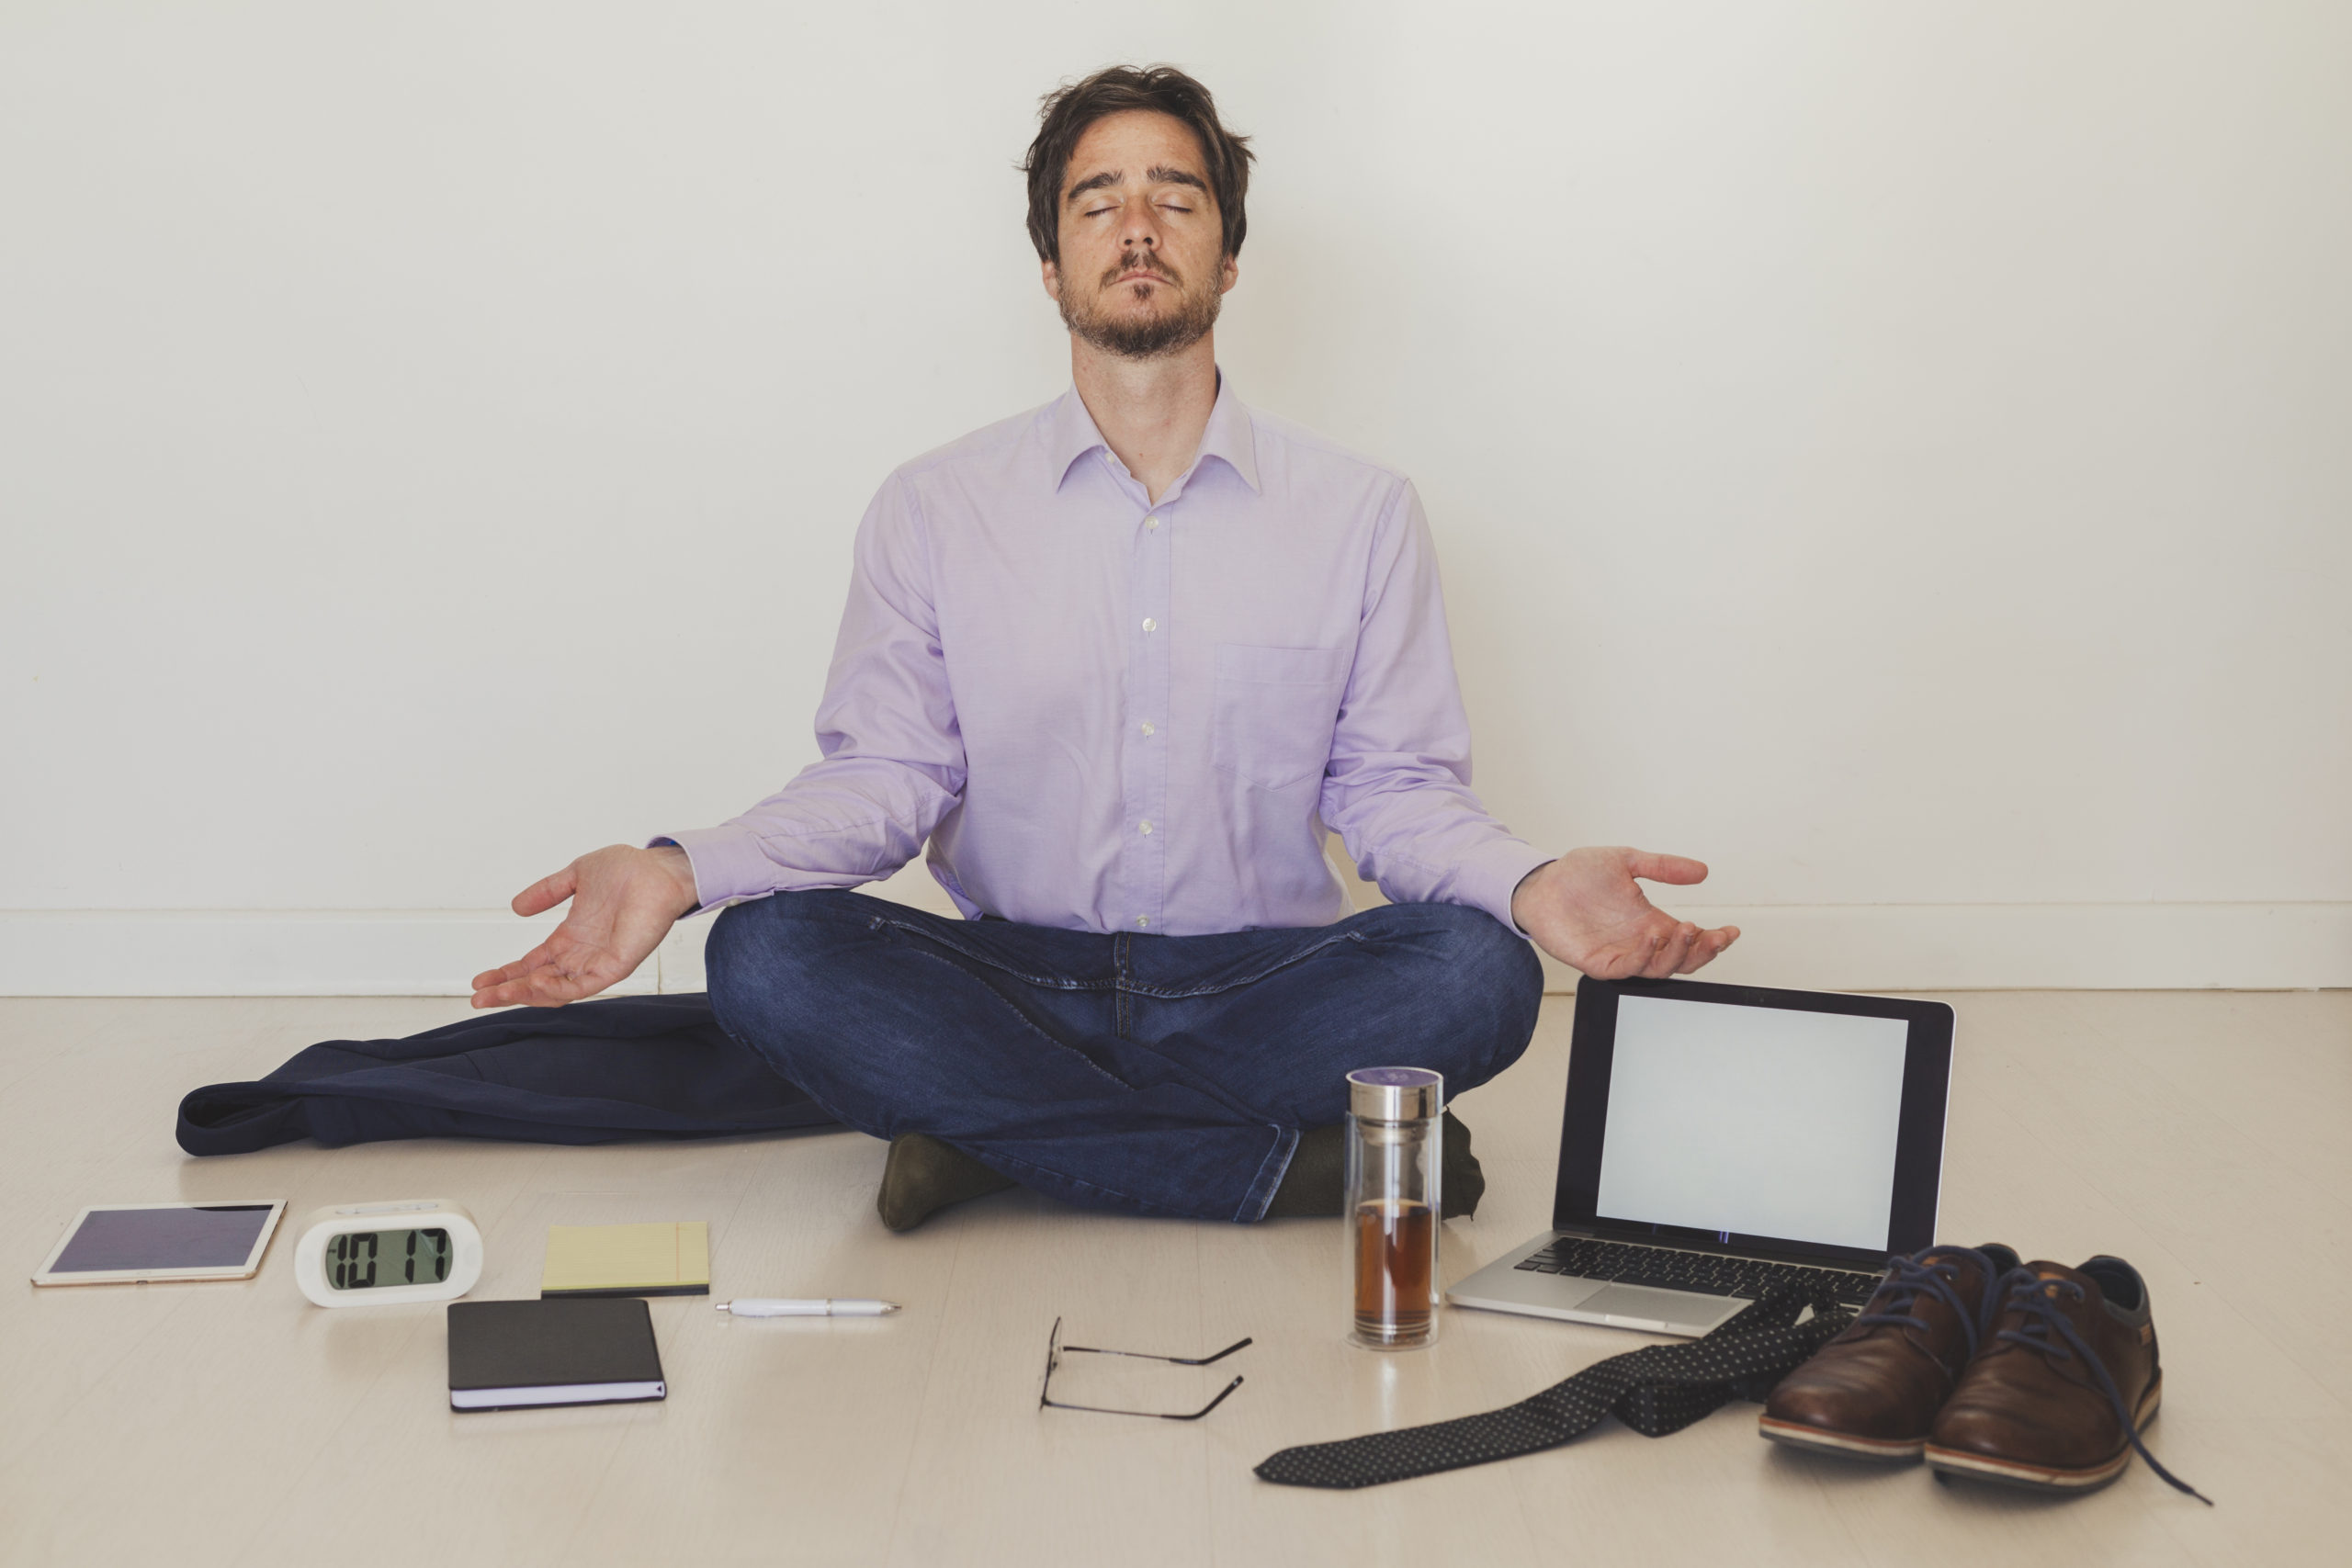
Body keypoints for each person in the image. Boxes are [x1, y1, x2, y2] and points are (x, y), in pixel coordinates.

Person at [468, 65, 1738, 1231]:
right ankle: (1251, 1160)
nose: (1138, 227)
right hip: (1013, 973)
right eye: (1097, 201)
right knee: (766, 950)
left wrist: (1527, 885)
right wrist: (680, 867)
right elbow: (886, 781)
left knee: (1478, 973)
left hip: (1263, 983)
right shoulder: (933, 506)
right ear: (1050, 261)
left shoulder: (1362, 513)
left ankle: (983, 1139)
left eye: (1176, 197)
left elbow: (1392, 794)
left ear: (1229, 256)